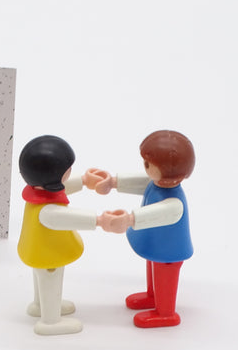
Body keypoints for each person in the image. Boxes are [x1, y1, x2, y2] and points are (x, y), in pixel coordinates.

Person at [86, 130, 195, 328]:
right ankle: (153, 296)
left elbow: (157, 213)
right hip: (154, 243)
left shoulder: (174, 203)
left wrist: (129, 219)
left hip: (169, 251)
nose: (145, 167)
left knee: (163, 273)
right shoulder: (156, 183)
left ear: (170, 173)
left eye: (149, 164)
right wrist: (112, 182)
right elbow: (139, 182)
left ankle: (165, 313)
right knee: (152, 267)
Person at [18, 135, 119, 335]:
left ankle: (40, 305)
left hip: (36, 251)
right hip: (49, 255)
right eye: (67, 170)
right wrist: (99, 220)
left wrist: (84, 181)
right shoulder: (47, 211)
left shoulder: (37, 193)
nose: (70, 171)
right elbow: (69, 217)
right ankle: (50, 321)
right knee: (50, 279)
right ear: (52, 176)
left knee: (41, 278)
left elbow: (61, 189)